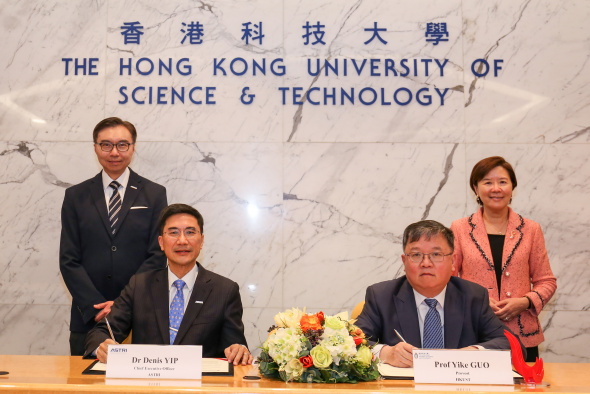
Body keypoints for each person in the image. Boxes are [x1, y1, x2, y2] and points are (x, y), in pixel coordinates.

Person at [84, 204, 253, 366]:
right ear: (161, 242)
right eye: (173, 233)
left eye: (190, 232)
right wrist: (102, 346)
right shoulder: (139, 285)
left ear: (201, 241)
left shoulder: (224, 290)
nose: (182, 240)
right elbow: (101, 332)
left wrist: (239, 349)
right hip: (148, 385)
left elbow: (235, 345)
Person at [60, 117, 168, 355]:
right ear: (95, 148)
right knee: (85, 388)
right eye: (106, 145)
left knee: (143, 390)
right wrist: (95, 306)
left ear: (133, 147)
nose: (114, 152)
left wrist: (122, 303)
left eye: (122, 144)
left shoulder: (154, 194)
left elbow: (157, 255)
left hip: (141, 314)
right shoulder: (75, 196)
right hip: (89, 316)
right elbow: (69, 259)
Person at [356, 220, 522, 368]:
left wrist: (473, 353)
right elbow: (350, 344)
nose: (426, 263)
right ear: (404, 262)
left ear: (453, 262)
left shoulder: (473, 296)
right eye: (416, 255)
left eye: (436, 254)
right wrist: (386, 353)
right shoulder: (381, 296)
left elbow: (513, 345)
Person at [451, 156, 556, 362]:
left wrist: (525, 302)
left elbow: (547, 281)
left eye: (502, 182)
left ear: (512, 187)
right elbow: (449, 280)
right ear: (476, 188)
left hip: (522, 335)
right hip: (474, 334)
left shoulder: (531, 229)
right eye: (487, 182)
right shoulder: (460, 228)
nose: (495, 188)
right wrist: (476, 301)